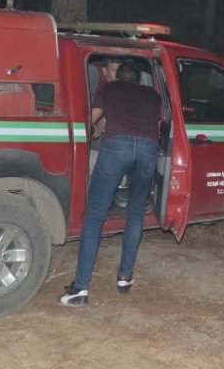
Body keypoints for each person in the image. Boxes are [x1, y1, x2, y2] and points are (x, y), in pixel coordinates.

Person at [59, 62, 163, 307]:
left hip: (117, 147)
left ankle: (81, 288)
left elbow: (88, 122)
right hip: (148, 150)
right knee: (136, 211)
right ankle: (125, 277)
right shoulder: (152, 94)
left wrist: (95, 132)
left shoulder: (110, 90)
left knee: (95, 214)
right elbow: (161, 123)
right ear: (139, 78)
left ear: (117, 76)